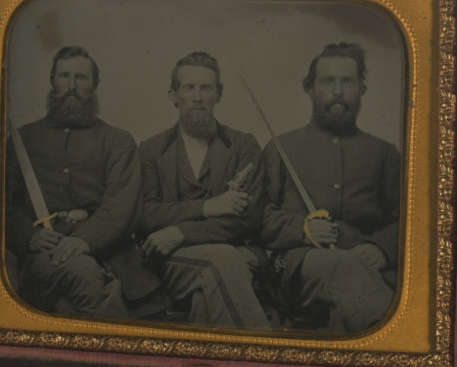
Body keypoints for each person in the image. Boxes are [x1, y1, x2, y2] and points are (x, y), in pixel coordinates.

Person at [5, 46, 160, 319]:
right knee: (84, 274)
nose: (72, 86)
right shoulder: (23, 140)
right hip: (45, 255)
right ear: (53, 82)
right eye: (64, 76)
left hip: (112, 255)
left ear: (94, 85)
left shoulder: (118, 141)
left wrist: (84, 239)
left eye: (81, 78)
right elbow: (0, 206)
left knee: (71, 306)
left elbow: (121, 207)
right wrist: (30, 237)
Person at [261, 42, 401, 334]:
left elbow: (408, 218)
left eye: (347, 81)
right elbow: (258, 218)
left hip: (367, 267)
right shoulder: (280, 148)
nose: (337, 90)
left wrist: (382, 247)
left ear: (361, 89)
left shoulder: (384, 153)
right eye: (327, 81)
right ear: (309, 89)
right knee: (345, 269)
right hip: (301, 269)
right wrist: (302, 228)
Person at [137, 51, 272, 329]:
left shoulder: (243, 146)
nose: (197, 96)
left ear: (218, 95)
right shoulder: (150, 150)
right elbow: (145, 215)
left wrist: (181, 231)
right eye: (189, 87)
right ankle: (267, 359)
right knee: (223, 261)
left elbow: (248, 219)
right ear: (174, 95)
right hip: (173, 261)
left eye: (206, 88)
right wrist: (206, 207)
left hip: (236, 252)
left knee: (211, 286)